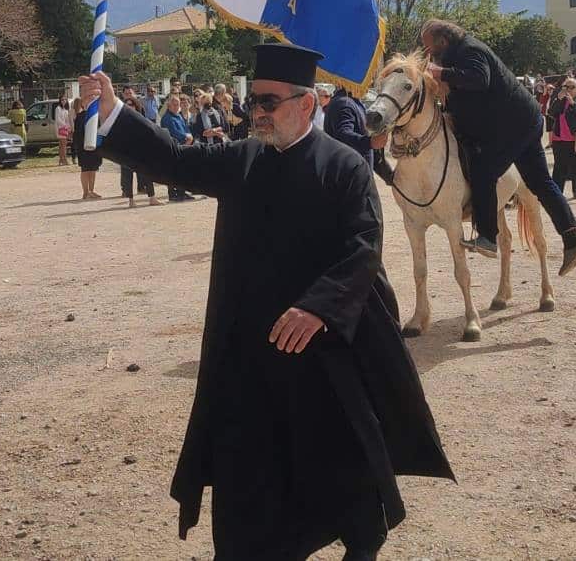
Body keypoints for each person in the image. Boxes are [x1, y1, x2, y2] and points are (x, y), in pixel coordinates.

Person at [84, 44, 454, 559]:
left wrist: (318, 308)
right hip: (250, 361)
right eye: (254, 101)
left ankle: (361, 540)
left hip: (321, 361)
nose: (257, 112)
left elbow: (362, 247)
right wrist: (112, 111)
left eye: (269, 102)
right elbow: (174, 161)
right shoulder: (243, 159)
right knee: (248, 493)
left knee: (341, 474)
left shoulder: (345, 167)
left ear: (306, 105)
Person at [419, 20, 576, 270]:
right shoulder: (457, 53)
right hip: (525, 120)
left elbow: (479, 79)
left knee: (483, 170)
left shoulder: (469, 50)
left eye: (430, 47)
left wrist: (440, 73)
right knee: (540, 182)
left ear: (443, 41)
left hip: (514, 124)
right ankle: (572, 239)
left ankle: (487, 236)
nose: (429, 54)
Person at [118, 96, 161, 208]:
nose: (129, 106)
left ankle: (152, 197)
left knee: (147, 173)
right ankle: (131, 200)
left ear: (136, 106)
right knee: (128, 176)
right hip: (126, 151)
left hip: (141, 150)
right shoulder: (121, 119)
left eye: (131, 104)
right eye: (127, 104)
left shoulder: (141, 118)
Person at [549, 79, 576, 200]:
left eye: (571, 87)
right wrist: (559, 99)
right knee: (559, 167)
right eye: (566, 87)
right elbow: (551, 113)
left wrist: (573, 104)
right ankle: (557, 191)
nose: (568, 90)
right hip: (559, 139)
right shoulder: (559, 101)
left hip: (575, 140)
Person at [322, 85, 373, 169]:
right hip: (350, 174)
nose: (369, 83)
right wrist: (370, 142)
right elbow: (343, 134)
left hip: (359, 172)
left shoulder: (352, 101)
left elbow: (368, 149)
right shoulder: (344, 102)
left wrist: (390, 176)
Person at [157, 96, 195, 203]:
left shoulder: (178, 116)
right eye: (174, 104)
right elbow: (174, 132)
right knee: (173, 171)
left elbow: (185, 128)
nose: (176, 106)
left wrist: (189, 136)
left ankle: (182, 192)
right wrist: (186, 137)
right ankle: (173, 194)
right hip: (173, 146)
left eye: (178, 104)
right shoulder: (166, 118)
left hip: (184, 145)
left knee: (183, 170)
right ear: (168, 106)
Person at [71, 97, 103, 200]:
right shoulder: (80, 116)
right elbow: (76, 133)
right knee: (85, 169)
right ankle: (85, 192)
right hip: (83, 147)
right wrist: (77, 146)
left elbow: (100, 131)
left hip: (93, 146)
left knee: (92, 169)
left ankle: (91, 191)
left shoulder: (96, 116)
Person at [54, 98, 72, 166]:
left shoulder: (66, 109)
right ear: (60, 101)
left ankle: (61, 160)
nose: (64, 101)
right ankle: (65, 160)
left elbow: (67, 119)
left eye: (65, 100)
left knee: (62, 145)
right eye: (62, 100)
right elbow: (57, 119)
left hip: (65, 129)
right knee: (63, 145)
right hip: (60, 128)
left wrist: (68, 127)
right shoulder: (58, 108)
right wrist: (65, 125)